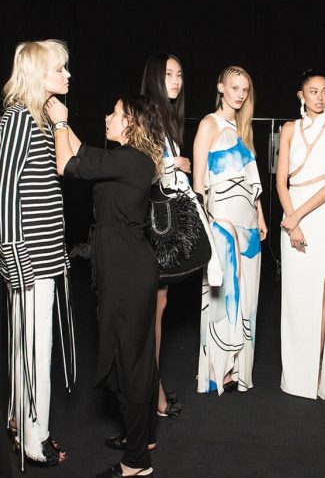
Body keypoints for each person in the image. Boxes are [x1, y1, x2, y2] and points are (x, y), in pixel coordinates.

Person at [46, 93, 164, 478]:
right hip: (125, 267)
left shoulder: (131, 160)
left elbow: (67, 164)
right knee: (134, 355)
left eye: (114, 113)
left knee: (130, 361)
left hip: (127, 271)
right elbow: (82, 153)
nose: (107, 117)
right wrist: (66, 127)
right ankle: (143, 437)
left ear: (131, 123)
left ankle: (136, 463)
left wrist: (59, 122)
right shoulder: (127, 158)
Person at [0, 39, 75, 467]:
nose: (67, 75)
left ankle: (20, 423)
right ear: (38, 74)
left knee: (30, 346)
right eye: (59, 69)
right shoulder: (19, 118)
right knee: (35, 349)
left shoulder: (39, 118)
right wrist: (12, 253)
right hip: (29, 257)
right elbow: (5, 190)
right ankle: (34, 439)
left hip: (43, 254)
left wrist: (61, 121)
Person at [193, 65, 267, 395]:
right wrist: (207, 222)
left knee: (247, 295)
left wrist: (261, 216)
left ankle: (237, 369)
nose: (240, 94)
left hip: (248, 220)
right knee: (223, 293)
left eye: (245, 89)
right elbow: (198, 181)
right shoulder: (209, 124)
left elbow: (251, 181)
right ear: (221, 87)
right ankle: (217, 371)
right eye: (234, 87)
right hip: (222, 220)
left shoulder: (243, 128)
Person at [276, 69, 325, 399]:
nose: (320, 97)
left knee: (322, 294)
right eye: (314, 91)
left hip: (322, 216)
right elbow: (281, 181)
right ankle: (296, 377)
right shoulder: (289, 129)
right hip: (293, 211)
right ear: (301, 95)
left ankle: (318, 375)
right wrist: (292, 220)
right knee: (295, 297)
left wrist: (296, 217)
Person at [139, 53, 189, 418]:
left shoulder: (167, 118)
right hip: (148, 224)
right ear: (155, 77)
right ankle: (151, 394)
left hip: (164, 223)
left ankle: (152, 388)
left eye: (180, 75)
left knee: (158, 307)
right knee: (150, 312)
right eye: (169, 74)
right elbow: (140, 165)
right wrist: (176, 163)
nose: (176, 80)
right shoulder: (145, 114)